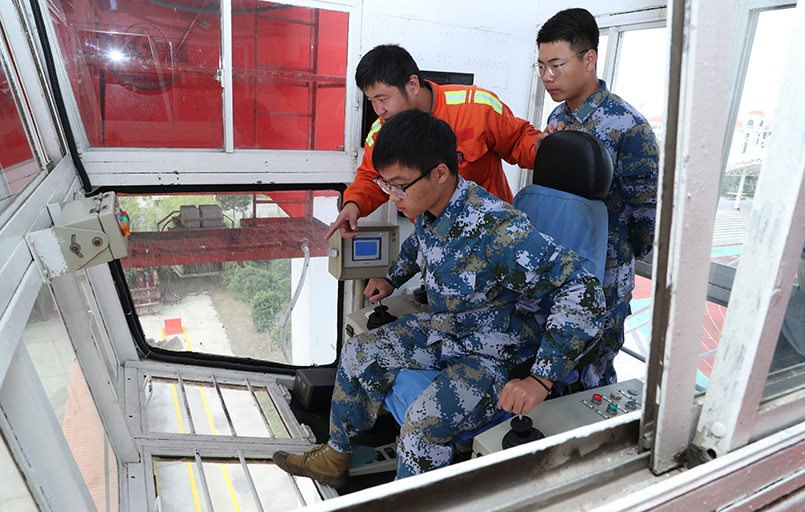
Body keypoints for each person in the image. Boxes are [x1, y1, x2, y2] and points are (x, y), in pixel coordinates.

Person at [274, 110, 605, 486]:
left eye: (400, 186)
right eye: (386, 185)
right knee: (358, 352)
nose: (393, 197)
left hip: (494, 353)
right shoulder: (430, 208)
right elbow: (421, 243)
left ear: (441, 173)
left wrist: (540, 380)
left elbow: (582, 288)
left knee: (422, 425)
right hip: (449, 328)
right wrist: (392, 277)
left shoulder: (498, 230)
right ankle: (335, 456)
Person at [536, 8, 660, 390]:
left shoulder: (629, 128)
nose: (547, 77)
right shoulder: (557, 118)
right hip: (559, 267)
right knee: (552, 368)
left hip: (603, 277)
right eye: (540, 67)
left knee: (591, 376)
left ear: (589, 59)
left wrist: (615, 256)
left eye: (556, 65)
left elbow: (646, 218)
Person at [325, 44, 554, 240]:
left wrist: (542, 148)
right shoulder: (380, 133)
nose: (378, 110)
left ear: (412, 85)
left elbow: (518, 141)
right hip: (437, 243)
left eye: (383, 99)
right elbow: (370, 177)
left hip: (492, 236)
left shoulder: (476, 107)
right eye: (371, 101)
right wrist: (353, 205)